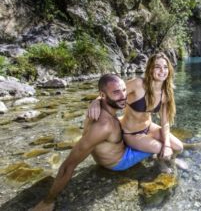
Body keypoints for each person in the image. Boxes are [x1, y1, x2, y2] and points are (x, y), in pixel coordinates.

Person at [32, 74, 151, 211]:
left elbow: (104, 99)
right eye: (116, 92)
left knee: (141, 126)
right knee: (161, 141)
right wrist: (48, 201)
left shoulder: (98, 109)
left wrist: (96, 101)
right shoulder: (103, 126)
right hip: (120, 162)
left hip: (111, 153)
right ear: (103, 94)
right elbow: (68, 166)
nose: (123, 96)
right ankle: (167, 160)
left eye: (124, 90)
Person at [88, 52, 183, 163]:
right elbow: (112, 94)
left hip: (149, 127)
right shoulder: (138, 84)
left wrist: (167, 144)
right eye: (157, 67)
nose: (162, 71)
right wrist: (96, 101)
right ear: (150, 69)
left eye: (165, 67)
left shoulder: (166, 92)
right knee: (159, 148)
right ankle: (162, 166)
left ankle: (167, 161)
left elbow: (165, 122)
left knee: (178, 147)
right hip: (131, 133)